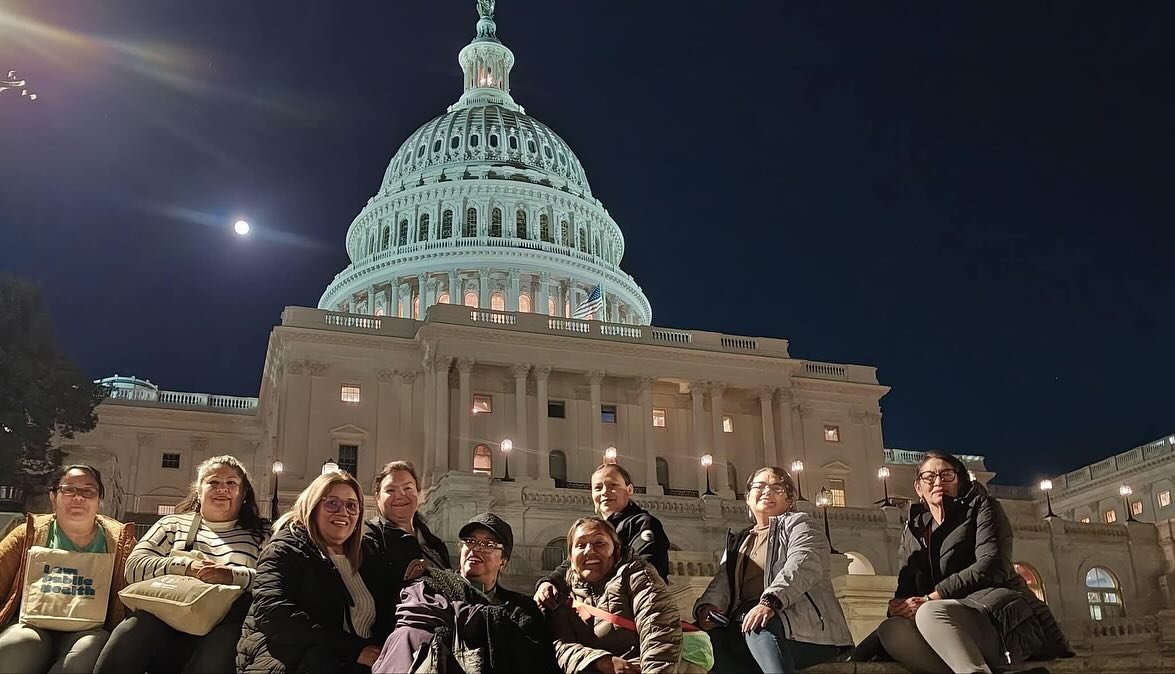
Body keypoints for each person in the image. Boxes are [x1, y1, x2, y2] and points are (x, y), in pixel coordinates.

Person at [874, 452, 1072, 674]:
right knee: (891, 630)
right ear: (918, 488)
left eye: (947, 475)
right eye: (929, 477)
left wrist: (931, 598)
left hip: (1001, 619)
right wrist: (898, 607)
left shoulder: (982, 507)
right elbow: (907, 588)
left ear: (960, 480)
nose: (938, 482)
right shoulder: (914, 530)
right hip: (947, 627)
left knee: (930, 613)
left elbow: (991, 566)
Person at [95, 455, 266, 673]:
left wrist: (232, 575)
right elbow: (134, 567)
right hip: (165, 619)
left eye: (231, 483)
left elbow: (276, 580)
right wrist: (184, 567)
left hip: (227, 625)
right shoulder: (171, 524)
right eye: (213, 482)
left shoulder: (262, 534)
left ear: (243, 494)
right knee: (131, 632)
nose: (222, 489)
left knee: (222, 647)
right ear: (199, 491)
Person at [694, 466, 852, 674]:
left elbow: (802, 565)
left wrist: (770, 602)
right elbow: (721, 583)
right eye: (759, 487)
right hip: (747, 625)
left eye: (776, 488)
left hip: (803, 630)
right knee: (699, 641)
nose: (767, 491)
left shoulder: (801, 524)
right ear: (748, 497)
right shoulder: (740, 540)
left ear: (789, 501)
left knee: (759, 625)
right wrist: (707, 608)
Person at [237, 470, 383, 674]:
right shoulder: (285, 549)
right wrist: (353, 649)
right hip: (290, 660)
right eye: (332, 503)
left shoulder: (368, 556)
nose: (343, 512)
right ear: (313, 507)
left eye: (351, 505)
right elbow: (273, 614)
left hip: (357, 663)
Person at [373, 512, 557, 674]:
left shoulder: (522, 608)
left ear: (504, 561)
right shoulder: (431, 583)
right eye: (470, 541)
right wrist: (491, 621)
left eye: (488, 544)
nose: (476, 548)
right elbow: (415, 617)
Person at [0, 465, 137, 674]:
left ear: (99, 500)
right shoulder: (28, 533)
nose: (78, 497)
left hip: (90, 629)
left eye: (88, 491)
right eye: (69, 489)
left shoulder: (120, 541)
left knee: (89, 650)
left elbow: (134, 590)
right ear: (53, 497)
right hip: (31, 624)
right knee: (19, 644)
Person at [549, 516, 693, 674]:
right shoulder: (562, 592)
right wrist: (602, 662)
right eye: (580, 545)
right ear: (570, 556)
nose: (589, 550)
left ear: (616, 549)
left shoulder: (639, 577)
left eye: (599, 543)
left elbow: (660, 635)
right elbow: (562, 646)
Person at [535, 463, 670, 610]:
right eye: (598, 488)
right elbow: (571, 565)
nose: (605, 492)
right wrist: (548, 582)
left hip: (633, 608)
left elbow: (646, 570)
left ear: (629, 489)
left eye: (613, 485)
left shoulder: (644, 523)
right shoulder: (594, 527)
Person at [362, 461, 451, 641]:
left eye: (408, 488)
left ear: (418, 492)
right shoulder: (368, 537)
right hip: (395, 639)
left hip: (442, 637)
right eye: (390, 490)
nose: (400, 495)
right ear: (377, 497)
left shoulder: (435, 543)